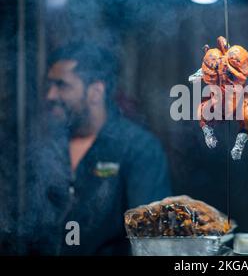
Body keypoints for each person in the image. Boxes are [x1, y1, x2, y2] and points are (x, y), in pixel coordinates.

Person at [22, 43, 172, 255]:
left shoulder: (138, 148)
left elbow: (152, 239)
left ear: (95, 91)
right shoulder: (50, 147)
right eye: (49, 86)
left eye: (61, 85)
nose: (50, 95)